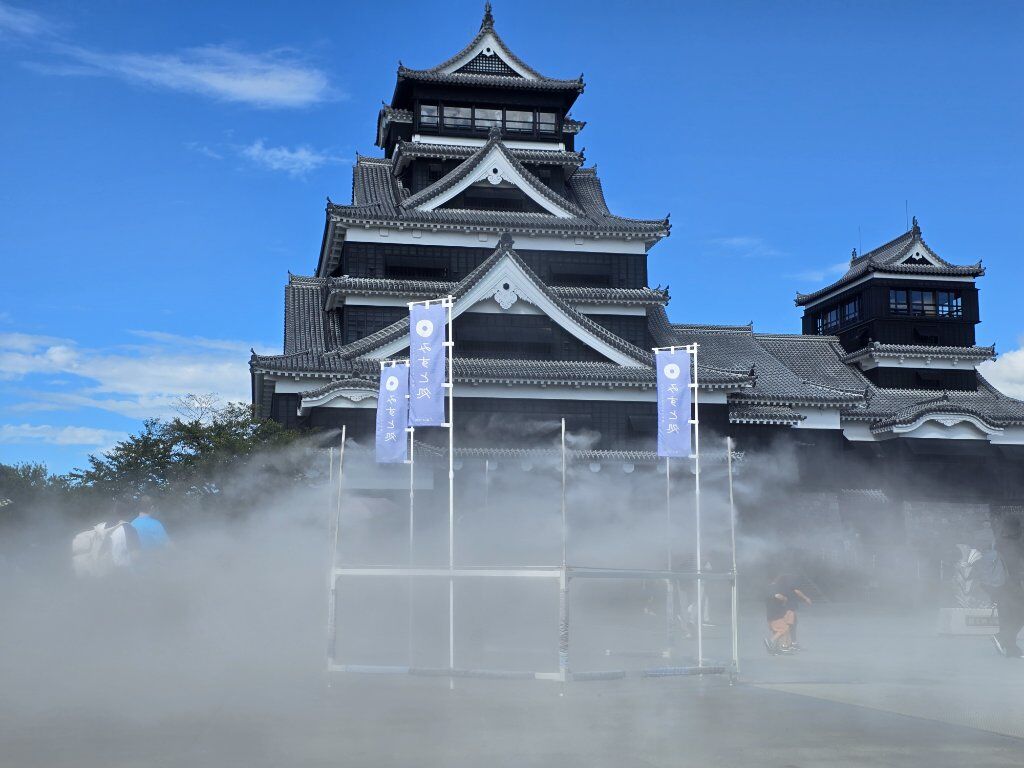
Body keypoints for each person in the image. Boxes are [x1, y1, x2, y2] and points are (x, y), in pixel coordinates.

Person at [992, 516, 1024, 658]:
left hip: (1000, 586)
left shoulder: (1001, 540)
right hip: (1011, 585)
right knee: (1019, 614)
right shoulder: (1012, 542)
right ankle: (1002, 637)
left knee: (1007, 616)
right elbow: (1010, 567)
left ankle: (1010, 647)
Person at [764, 578, 794, 655]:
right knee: (784, 628)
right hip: (775, 616)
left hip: (771, 616)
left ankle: (776, 649)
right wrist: (785, 599)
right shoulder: (774, 589)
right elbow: (778, 596)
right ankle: (770, 641)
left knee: (777, 631)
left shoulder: (768, 590)